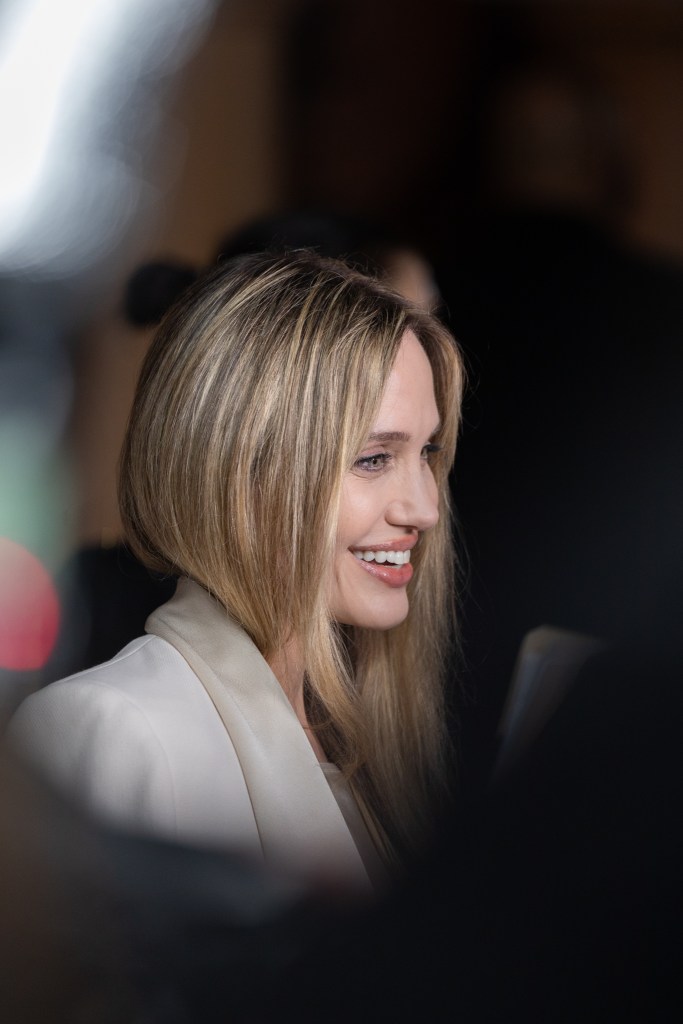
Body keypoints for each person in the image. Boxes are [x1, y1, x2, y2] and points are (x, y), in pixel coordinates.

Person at [8, 250, 464, 895]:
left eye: (427, 453)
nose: (424, 509)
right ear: (239, 474)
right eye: (373, 459)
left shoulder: (366, 756)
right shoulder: (112, 732)